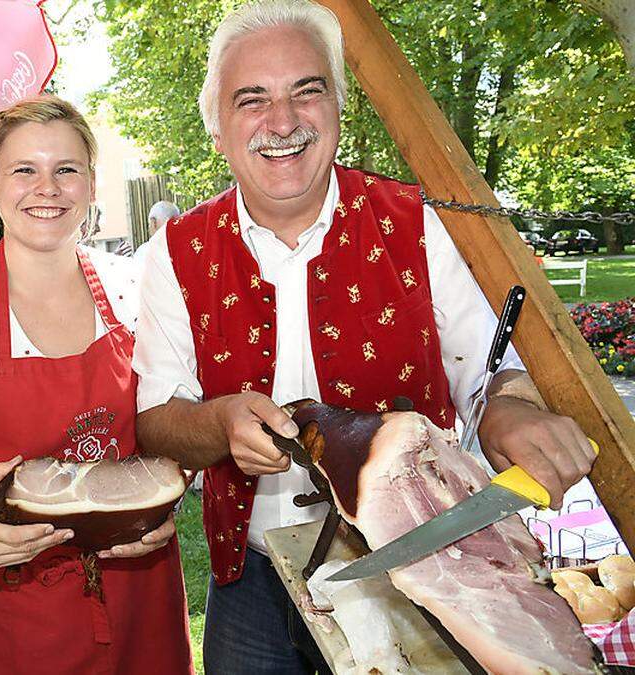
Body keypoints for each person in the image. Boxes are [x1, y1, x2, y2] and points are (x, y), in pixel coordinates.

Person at [131, 1, 599, 673]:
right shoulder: (176, 251)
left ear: (339, 109)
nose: (283, 121)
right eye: (252, 99)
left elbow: (488, 373)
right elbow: (155, 417)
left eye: (307, 90)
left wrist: (511, 407)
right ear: (217, 129)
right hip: (252, 588)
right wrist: (215, 422)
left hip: (423, 573)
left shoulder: (417, 222)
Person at [0, 95, 193, 675]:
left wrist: (170, 496)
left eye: (66, 169)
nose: (47, 188)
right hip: (15, 599)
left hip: (139, 581)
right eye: (24, 170)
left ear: (90, 182)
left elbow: (171, 424)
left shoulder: (135, 287)